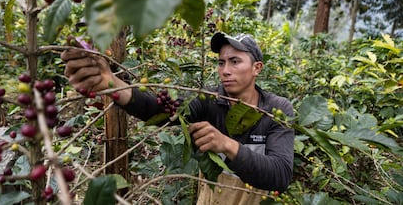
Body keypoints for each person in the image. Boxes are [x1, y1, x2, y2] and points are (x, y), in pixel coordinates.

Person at [61, 32, 295, 204]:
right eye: (221, 62)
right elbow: (163, 112)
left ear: (257, 68)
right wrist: (112, 84)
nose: (225, 70)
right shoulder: (208, 100)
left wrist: (226, 144)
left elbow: (280, 175)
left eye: (235, 62)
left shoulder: (277, 109)